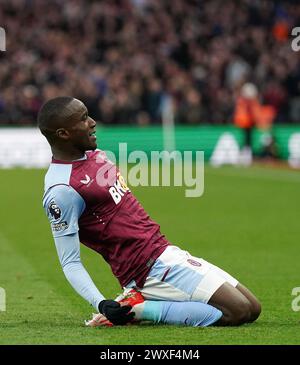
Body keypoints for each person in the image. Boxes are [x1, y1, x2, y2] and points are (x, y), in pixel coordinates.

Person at [38, 96, 261, 327]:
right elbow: (70, 262)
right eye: (84, 119)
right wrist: (101, 303)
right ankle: (140, 309)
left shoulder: (95, 154)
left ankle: (141, 299)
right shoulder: (61, 190)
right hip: (146, 269)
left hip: (164, 251)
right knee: (238, 311)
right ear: (63, 133)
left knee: (253, 308)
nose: (93, 122)